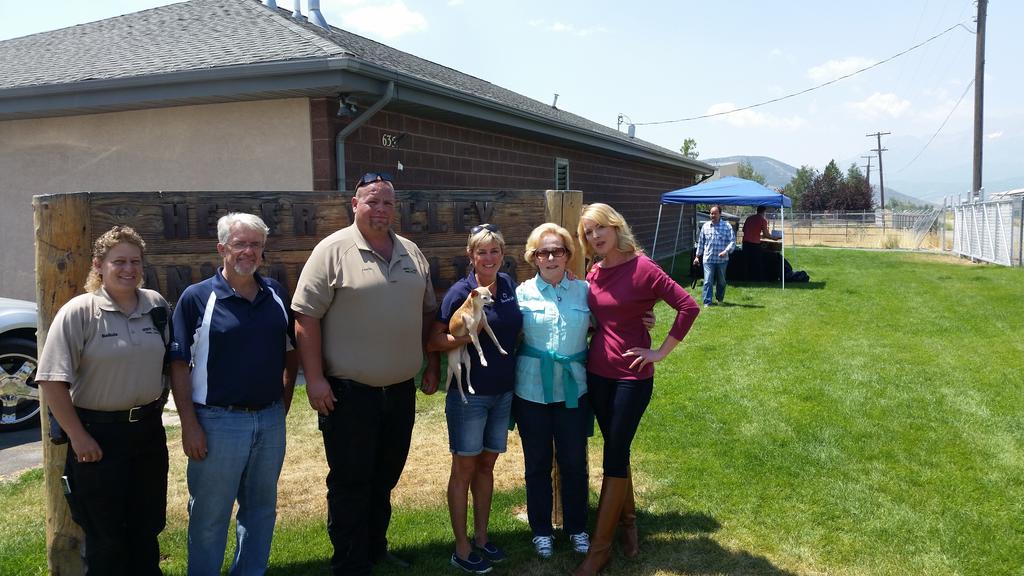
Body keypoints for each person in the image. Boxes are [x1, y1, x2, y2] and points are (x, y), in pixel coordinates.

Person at [291, 172, 441, 576]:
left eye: (388, 202)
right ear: (355, 205)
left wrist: (428, 361)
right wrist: (315, 379)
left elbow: (428, 310)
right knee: (350, 481)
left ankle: (376, 548)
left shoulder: (411, 252)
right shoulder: (332, 250)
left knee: (385, 476)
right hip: (348, 394)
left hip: (399, 391)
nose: (381, 209)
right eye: (372, 201)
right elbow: (305, 317)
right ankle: (349, 561)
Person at [37, 225, 170, 576]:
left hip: (148, 433)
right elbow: (51, 380)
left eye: (135, 261)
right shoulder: (80, 311)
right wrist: (78, 437)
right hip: (97, 437)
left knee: (147, 527)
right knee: (106, 536)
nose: (129, 269)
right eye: (119, 261)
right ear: (98, 264)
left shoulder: (156, 306)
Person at [169, 213, 298, 576]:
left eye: (256, 244)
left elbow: (292, 349)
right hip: (216, 421)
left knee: (261, 511)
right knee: (210, 516)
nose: (248, 251)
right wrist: (189, 425)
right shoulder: (197, 298)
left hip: (269, 419)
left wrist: (284, 400)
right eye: (240, 244)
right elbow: (178, 365)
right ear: (222, 248)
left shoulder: (275, 293)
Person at [575, 203, 700, 576]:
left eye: (599, 228)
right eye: (588, 233)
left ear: (615, 226)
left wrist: (659, 352)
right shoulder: (593, 272)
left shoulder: (643, 267)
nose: (595, 236)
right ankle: (628, 525)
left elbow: (688, 306)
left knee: (614, 455)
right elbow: (600, 317)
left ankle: (599, 551)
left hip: (632, 377)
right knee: (618, 450)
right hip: (597, 373)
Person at [427, 223, 522, 574]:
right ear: (471, 255)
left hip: (503, 392)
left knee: (487, 466)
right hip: (470, 396)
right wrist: (467, 339)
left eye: (495, 251)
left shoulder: (508, 286)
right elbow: (434, 341)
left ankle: (482, 537)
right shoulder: (460, 292)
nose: (489, 257)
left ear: (503, 254)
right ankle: (462, 547)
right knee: (464, 468)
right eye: (482, 251)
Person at [513, 223, 592, 560]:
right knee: (537, 464)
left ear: (567, 255)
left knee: (574, 461)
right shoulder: (521, 294)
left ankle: (577, 528)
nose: (550, 258)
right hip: (531, 391)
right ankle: (541, 531)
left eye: (557, 251)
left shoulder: (585, 291)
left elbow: (612, 319)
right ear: (533, 257)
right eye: (542, 252)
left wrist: (642, 319)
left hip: (574, 391)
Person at [693, 205, 735, 307]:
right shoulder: (705, 226)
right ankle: (707, 302)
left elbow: (732, 241)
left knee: (721, 282)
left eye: (715, 213)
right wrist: (697, 256)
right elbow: (701, 242)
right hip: (708, 259)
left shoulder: (727, 226)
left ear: (720, 214)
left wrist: (726, 251)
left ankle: (719, 299)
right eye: (711, 213)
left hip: (722, 260)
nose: (713, 215)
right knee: (708, 281)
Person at [741, 205, 772, 281]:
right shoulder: (763, 220)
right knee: (755, 262)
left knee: (745, 261)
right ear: (764, 212)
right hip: (755, 244)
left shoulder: (749, 218)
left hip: (745, 242)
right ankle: (755, 278)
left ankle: (745, 278)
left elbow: (744, 230)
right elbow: (766, 234)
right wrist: (775, 238)